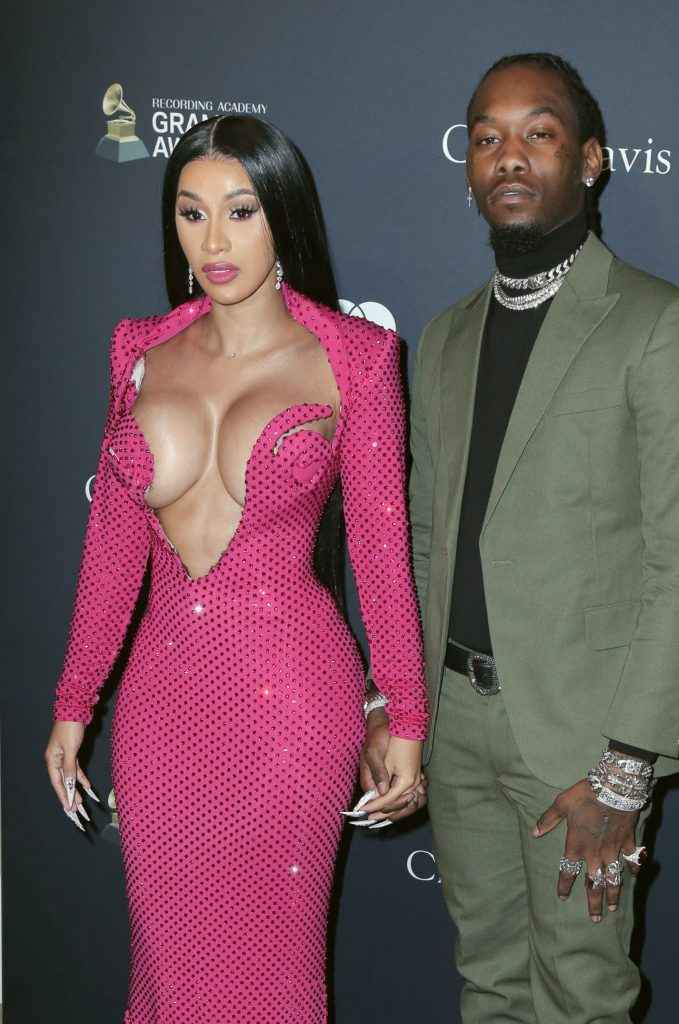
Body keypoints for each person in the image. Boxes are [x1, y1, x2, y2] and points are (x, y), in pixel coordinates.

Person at [362, 53, 679, 1022]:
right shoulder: (444, 338)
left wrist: (624, 768)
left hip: (580, 738)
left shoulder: (661, 325)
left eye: (538, 133)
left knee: (579, 996)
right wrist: (401, 702)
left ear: (590, 159)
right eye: (487, 137)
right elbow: (425, 539)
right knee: (487, 983)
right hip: (455, 723)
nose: (508, 156)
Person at [44, 114, 428, 1024]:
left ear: (281, 216)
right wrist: (73, 702)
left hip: (293, 701)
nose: (213, 241)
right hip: (160, 704)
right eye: (191, 213)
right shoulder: (137, 353)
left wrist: (406, 718)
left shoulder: (356, 357)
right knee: (169, 971)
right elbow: (112, 547)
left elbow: (380, 552)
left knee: (273, 974)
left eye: (240, 211)